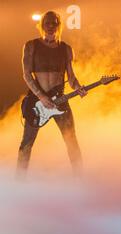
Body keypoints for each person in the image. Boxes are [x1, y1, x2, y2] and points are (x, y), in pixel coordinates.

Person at [17, 10, 86, 179]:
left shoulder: (66, 49)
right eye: (47, 23)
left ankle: (80, 180)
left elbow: (71, 77)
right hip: (37, 102)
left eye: (53, 23)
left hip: (60, 101)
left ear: (58, 25)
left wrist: (78, 87)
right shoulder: (31, 45)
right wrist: (41, 96)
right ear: (41, 25)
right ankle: (19, 182)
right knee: (26, 143)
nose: (50, 26)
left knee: (72, 141)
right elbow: (26, 75)